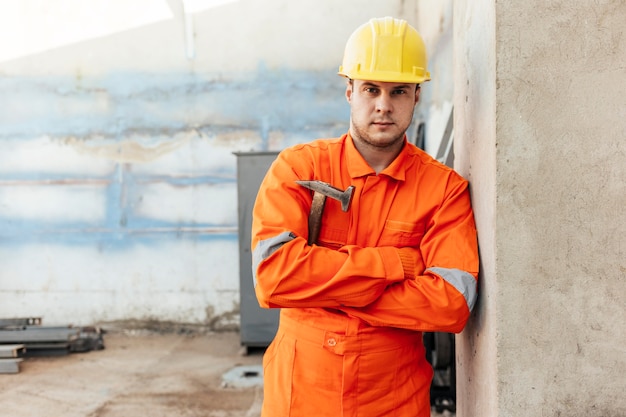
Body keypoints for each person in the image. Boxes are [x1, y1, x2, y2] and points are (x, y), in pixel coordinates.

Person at [250, 16, 478, 417]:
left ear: (417, 97)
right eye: (371, 88)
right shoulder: (299, 169)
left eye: (399, 91)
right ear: (350, 90)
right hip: (300, 395)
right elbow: (274, 277)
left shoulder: (443, 190)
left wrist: (327, 293)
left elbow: (450, 304)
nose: (383, 105)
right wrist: (397, 264)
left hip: (393, 399)